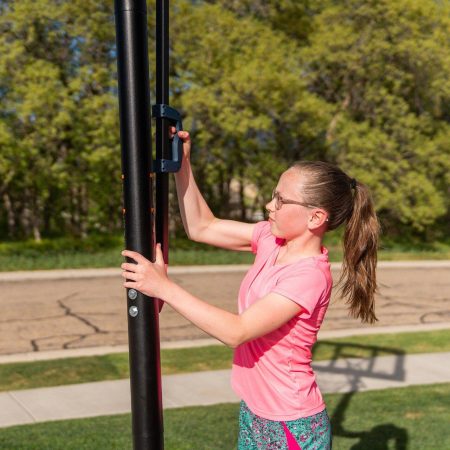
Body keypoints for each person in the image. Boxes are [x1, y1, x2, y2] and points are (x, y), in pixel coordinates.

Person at [121, 130, 380, 449]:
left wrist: (163, 287)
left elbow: (237, 331)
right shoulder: (272, 240)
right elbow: (203, 227)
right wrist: (183, 165)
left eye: (281, 200)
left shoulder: (309, 276)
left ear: (315, 217)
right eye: (274, 194)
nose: (269, 204)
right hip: (256, 412)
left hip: (290, 424)